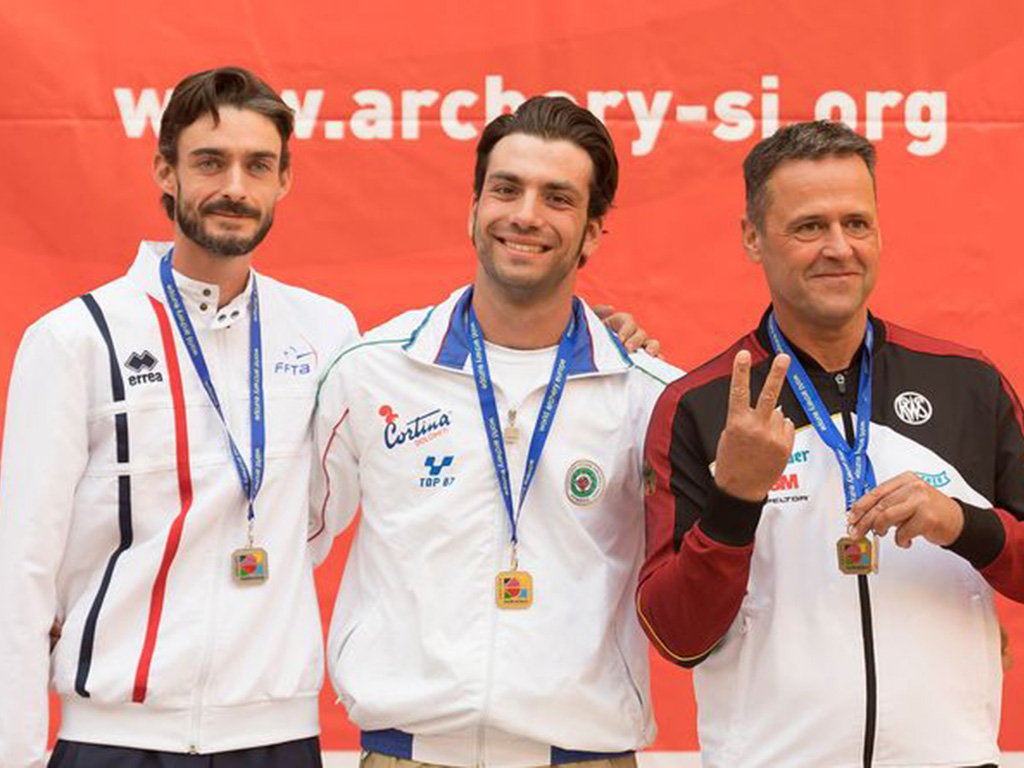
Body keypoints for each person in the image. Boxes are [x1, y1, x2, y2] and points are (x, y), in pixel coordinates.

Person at [0, 66, 359, 768]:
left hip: (274, 739)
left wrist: (597, 344)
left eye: (258, 166)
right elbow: (22, 565)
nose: (234, 187)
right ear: (165, 171)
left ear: (285, 180)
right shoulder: (75, 337)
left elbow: (327, 506)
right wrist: (12, 752)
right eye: (209, 162)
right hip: (114, 738)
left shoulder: (325, 330)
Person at [638, 120, 1024, 767]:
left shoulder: (968, 383)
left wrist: (963, 524)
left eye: (857, 223)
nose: (839, 248)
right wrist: (735, 500)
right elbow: (677, 638)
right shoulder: (699, 406)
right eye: (809, 227)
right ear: (753, 238)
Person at [311, 95, 681, 768]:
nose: (526, 215)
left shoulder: (649, 395)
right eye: (506, 189)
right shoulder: (372, 370)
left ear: (594, 232)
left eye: (558, 198)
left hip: (586, 756)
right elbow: (286, 536)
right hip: (406, 754)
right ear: (474, 208)